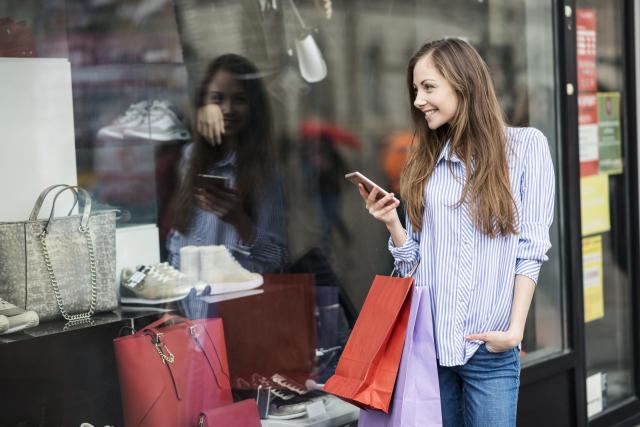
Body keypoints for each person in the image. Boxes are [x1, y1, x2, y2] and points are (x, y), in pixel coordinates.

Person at [357, 38, 555, 426]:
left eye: (428, 87)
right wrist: (393, 223)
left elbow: (531, 248)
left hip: (489, 352)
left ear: (463, 84)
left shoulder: (527, 148)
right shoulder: (423, 161)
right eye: (416, 89)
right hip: (427, 351)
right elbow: (413, 265)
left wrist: (514, 332)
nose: (418, 100)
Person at [167, 54, 288, 274]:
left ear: (254, 107)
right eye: (217, 98)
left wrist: (240, 221)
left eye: (239, 99)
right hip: (190, 305)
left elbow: (277, 259)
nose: (228, 109)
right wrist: (170, 306)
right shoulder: (190, 158)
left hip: (239, 306)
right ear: (203, 104)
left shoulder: (264, 171)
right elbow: (179, 243)